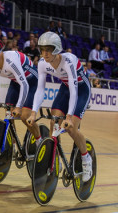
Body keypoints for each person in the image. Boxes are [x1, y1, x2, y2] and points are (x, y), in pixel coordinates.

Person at [26, 32, 93, 182]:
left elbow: (74, 91)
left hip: (81, 90)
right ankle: (55, 158)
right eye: (42, 49)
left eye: (49, 49)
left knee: (70, 128)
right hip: (65, 88)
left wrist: (68, 117)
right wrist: (33, 113)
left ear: (56, 50)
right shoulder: (43, 63)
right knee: (53, 122)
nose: (45, 53)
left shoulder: (68, 61)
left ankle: (86, 158)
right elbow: (40, 89)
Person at [0, 35, 43, 146]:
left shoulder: (10, 61)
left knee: (24, 117)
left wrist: (19, 106)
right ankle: (13, 145)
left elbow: (24, 84)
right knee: (8, 113)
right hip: (16, 82)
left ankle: (39, 141)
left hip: (31, 83)